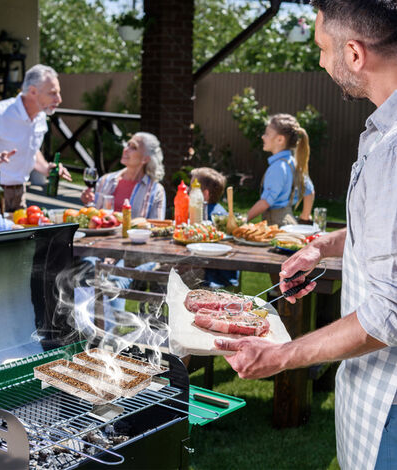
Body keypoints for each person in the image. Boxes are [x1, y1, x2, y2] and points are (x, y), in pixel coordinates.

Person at [215, 2, 397, 469]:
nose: (319, 61)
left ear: (354, 54)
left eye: (322, 48)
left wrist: (279, 357)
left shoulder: (392, 152)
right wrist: (322, 245)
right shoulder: (382, 129)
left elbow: (388, 315)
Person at [0, 64, 72, 212]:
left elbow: (32, 150)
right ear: (33, 91)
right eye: (53, 93)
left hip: (20, 193)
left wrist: (46, 168)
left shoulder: (40, 116)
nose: (59, 99)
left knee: (22, 234)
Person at [247, 114, 315, 226]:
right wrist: (305, 217)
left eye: (267, 134)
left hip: (276, 225)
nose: (263, 137)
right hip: (290, 222)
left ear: (280, 139)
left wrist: (243, 220)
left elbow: (266, 202)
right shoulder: (295, 163)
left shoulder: (278, 167)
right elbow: (310, 192)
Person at [80, 132, 166, 219]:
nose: (126, 149)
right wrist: (88, 203)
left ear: (145, 158)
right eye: (128, 144)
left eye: (133, 147)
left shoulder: (156, 191)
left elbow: (157, 227)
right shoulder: (105, 180)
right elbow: (92, 218)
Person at [190, 167, 239, 289]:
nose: (187, 191)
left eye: (191, 188)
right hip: (228, 277)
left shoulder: (205, 218)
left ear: (204, 195)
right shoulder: (221, 213)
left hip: (212, 278)